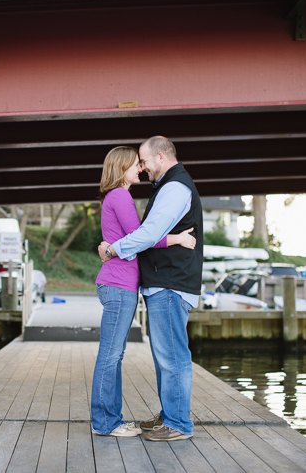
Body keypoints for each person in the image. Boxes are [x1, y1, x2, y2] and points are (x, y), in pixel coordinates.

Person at [98, 136, 203, 442]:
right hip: (163, 281)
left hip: (170, 282)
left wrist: (114, 249)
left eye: (143, 161)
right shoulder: (165, 187)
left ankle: (178, 422)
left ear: (160, 157)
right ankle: (171, 415)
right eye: (137, 164)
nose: (142, 168)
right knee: (165, 355)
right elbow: (146, 234)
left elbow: (149, 233)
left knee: (171, 356)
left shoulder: (174, 187)